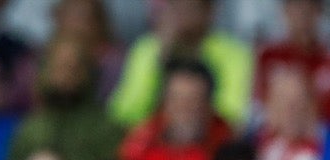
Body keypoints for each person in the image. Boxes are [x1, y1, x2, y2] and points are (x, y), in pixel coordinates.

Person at [3, 35, 127, 160]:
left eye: (73, 68)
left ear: (88, 73)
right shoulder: (31, 127)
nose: (65, 76)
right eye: (59, 67)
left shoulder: (106, 127)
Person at [108, 0, 253, 129]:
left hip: (210, 143)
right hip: (155, 142)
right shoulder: (147, 49)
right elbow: (124, 114)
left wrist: (185, 116)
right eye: (175, 6)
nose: (183, 14)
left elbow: (233, 115)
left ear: (210, 10)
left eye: (191, 6)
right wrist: (159, 59)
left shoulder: (235, 53)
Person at [254, 0, 330, 127]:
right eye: (296, 7)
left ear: (321, 11)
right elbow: (257, 108)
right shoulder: (267, 55)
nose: (303, 14)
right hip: (275, 135)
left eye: (310, 8)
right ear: (285, 11)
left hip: (325, 138)